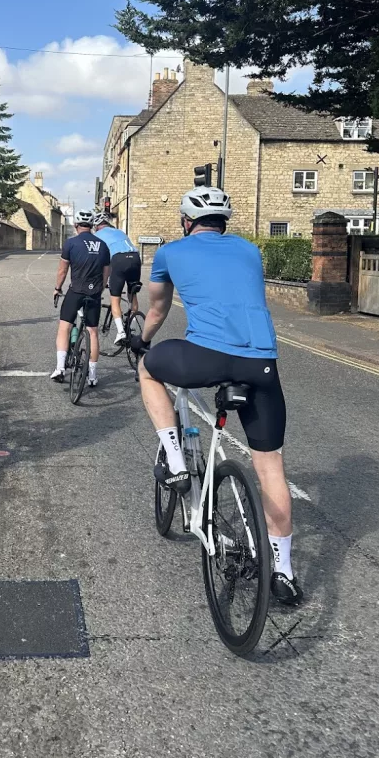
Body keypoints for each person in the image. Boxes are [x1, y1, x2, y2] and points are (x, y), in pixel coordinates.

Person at [134, 185, 302, 606]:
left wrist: (143, 340)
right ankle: (283, 570)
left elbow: (157, 309)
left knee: (147, 370)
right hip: (260, 364)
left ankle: (174, 458)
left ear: (186, 222)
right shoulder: (249, 250)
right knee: (270, 468)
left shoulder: (171, 252)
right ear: (224, 222)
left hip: (204, 359)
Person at [51, 210, 111, 388]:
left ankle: (60, 368)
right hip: (94, 293)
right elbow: (106, 272)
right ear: (92, 226)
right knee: (93, 332)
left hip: (76, 291)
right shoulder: (103, 245)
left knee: (65, 327)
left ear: (76, 225)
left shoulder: (71, 243)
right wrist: (100, 289)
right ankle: (92, 376)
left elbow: (63, 270)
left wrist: (57, 288)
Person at [93, 212, 142, 343]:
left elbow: (100, 260)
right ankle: (132, 326)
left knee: (115, 298)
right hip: (135, 258)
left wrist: (101, 279)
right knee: (133, 294)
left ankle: (120, 332)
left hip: (118, 259)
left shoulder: (97, 236)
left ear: (96, 226)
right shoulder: (119, 231)